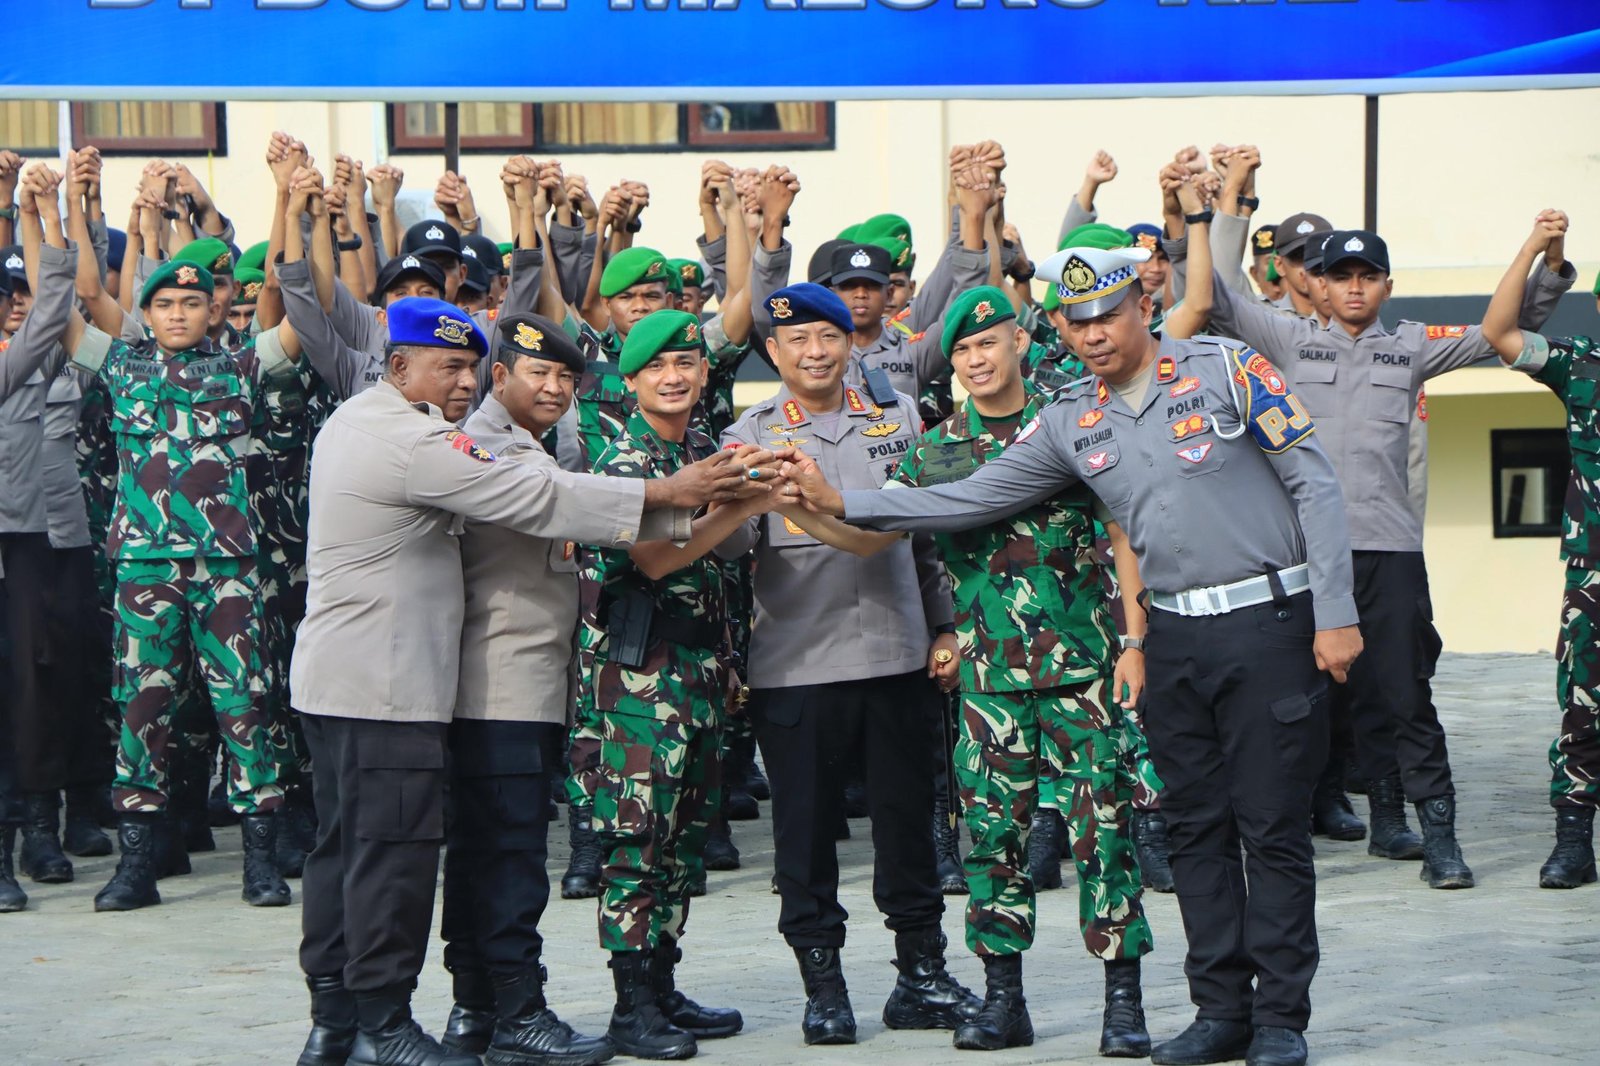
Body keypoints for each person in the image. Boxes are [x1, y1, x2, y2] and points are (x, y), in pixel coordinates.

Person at [785, 245, 1363, 1066]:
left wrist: (1334, 613)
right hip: (1174, 636)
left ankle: (1279, 1019)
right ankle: (1221, 1011)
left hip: (1266, 622)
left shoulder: (1228, 369)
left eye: (1107, 316)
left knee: (1269, 828)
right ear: (1059, 327)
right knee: (1194, 829)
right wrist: (840, 500)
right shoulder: (1070, 420)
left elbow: (1314, 483)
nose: (1093, 334)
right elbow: (971, 496)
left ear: (1142, 309)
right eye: (1077, 321)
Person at [288, 296, 765, 1066]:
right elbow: (547, 501)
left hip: (419, 683)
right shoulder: (438, 441)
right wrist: (674, 493)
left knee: (396, 854)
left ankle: (404, 1018)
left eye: (565, 378)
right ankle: (429, 1019)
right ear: (400, 365)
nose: (465, 382)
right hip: (454, 685)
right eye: (456, 368)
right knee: (437, 858)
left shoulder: (436, 432)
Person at [777, 284, 1159, 1055]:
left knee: (1105, 836)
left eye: (988, 343)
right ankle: (1003, 1000)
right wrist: (803, 509)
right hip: (988, 683)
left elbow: (1125, 534)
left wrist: (1134, 641)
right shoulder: (935, 448)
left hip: (1084, 670)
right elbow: (876, 536)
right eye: (961, 350)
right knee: (992, 840)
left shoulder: (1070, 423)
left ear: (1019, 342)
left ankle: (1123, 1004)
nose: (976, 360)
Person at [1206, 223, 1575, 888]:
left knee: (1404, 693)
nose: (1354, 288)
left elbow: (1504, 330)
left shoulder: (1410, 347)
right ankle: (1285, 834)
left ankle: (1436, 838)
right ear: (1317, 285)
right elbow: (1213, 296)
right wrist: (1204, 217)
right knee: (1291, 698)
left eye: (1367, 277)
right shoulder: (1285, 339)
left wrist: (1542, 260)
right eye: (1340, 277)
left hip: (1389, 550)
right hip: (1304, 553)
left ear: (1387, 286)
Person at [718, 282, 980, 1046]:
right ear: (774, 352)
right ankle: (823, 986)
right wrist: (743, 498)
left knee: (908, 826)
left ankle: (920, 976)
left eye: (828, 337)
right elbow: (730, 552)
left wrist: (944, 627)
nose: (815, 352)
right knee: (803, 838)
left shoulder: (901, 418)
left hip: (896, 655)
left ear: (850, 343)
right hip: (797, 667)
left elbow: (925, 539)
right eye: (797, 341)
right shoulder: (749, 435)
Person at [45, 199, 309, 911]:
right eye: (164, 304)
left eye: (193, 302)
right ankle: (136, 866)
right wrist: (46, 209)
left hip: (227, 573)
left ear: (214, 308)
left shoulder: (242, 366)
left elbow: (294, 310)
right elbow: (62, 305)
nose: (179, 314)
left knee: (245, 706)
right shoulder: (122, 367)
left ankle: (259, 862)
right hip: (146, 572)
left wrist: (290, 204)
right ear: (147, 312)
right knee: (141, 710)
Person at [436, 312, 614, 1066]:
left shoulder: (529, 443)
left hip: (521, 685)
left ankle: (476, 1010)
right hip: (499, 686)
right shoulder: (481, 445)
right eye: (538, 373)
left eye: (567, 378)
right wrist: (682, 492)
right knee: (508, 855)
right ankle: (518, 1013)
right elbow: (563, 503)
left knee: (485, 852)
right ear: (500, 375)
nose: (554, 388)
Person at [586, 308, 754, 1059]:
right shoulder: (624, 459)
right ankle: (631, 1006)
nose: (674, 376)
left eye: (686, 362)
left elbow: (724, 566)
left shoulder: (699, 450)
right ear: (630, 382)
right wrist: (742, 505)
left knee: (683, 841)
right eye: (656, 366)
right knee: (638, 841)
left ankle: (661, 986)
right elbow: (655, 559)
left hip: (697, 671)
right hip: (639, 682)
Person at [1479, 211, 1600, 890]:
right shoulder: (1583, 365)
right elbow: (1500, 332)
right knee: (1585, 704)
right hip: (1596, 570)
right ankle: (1573, 841)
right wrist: (1535, 247)